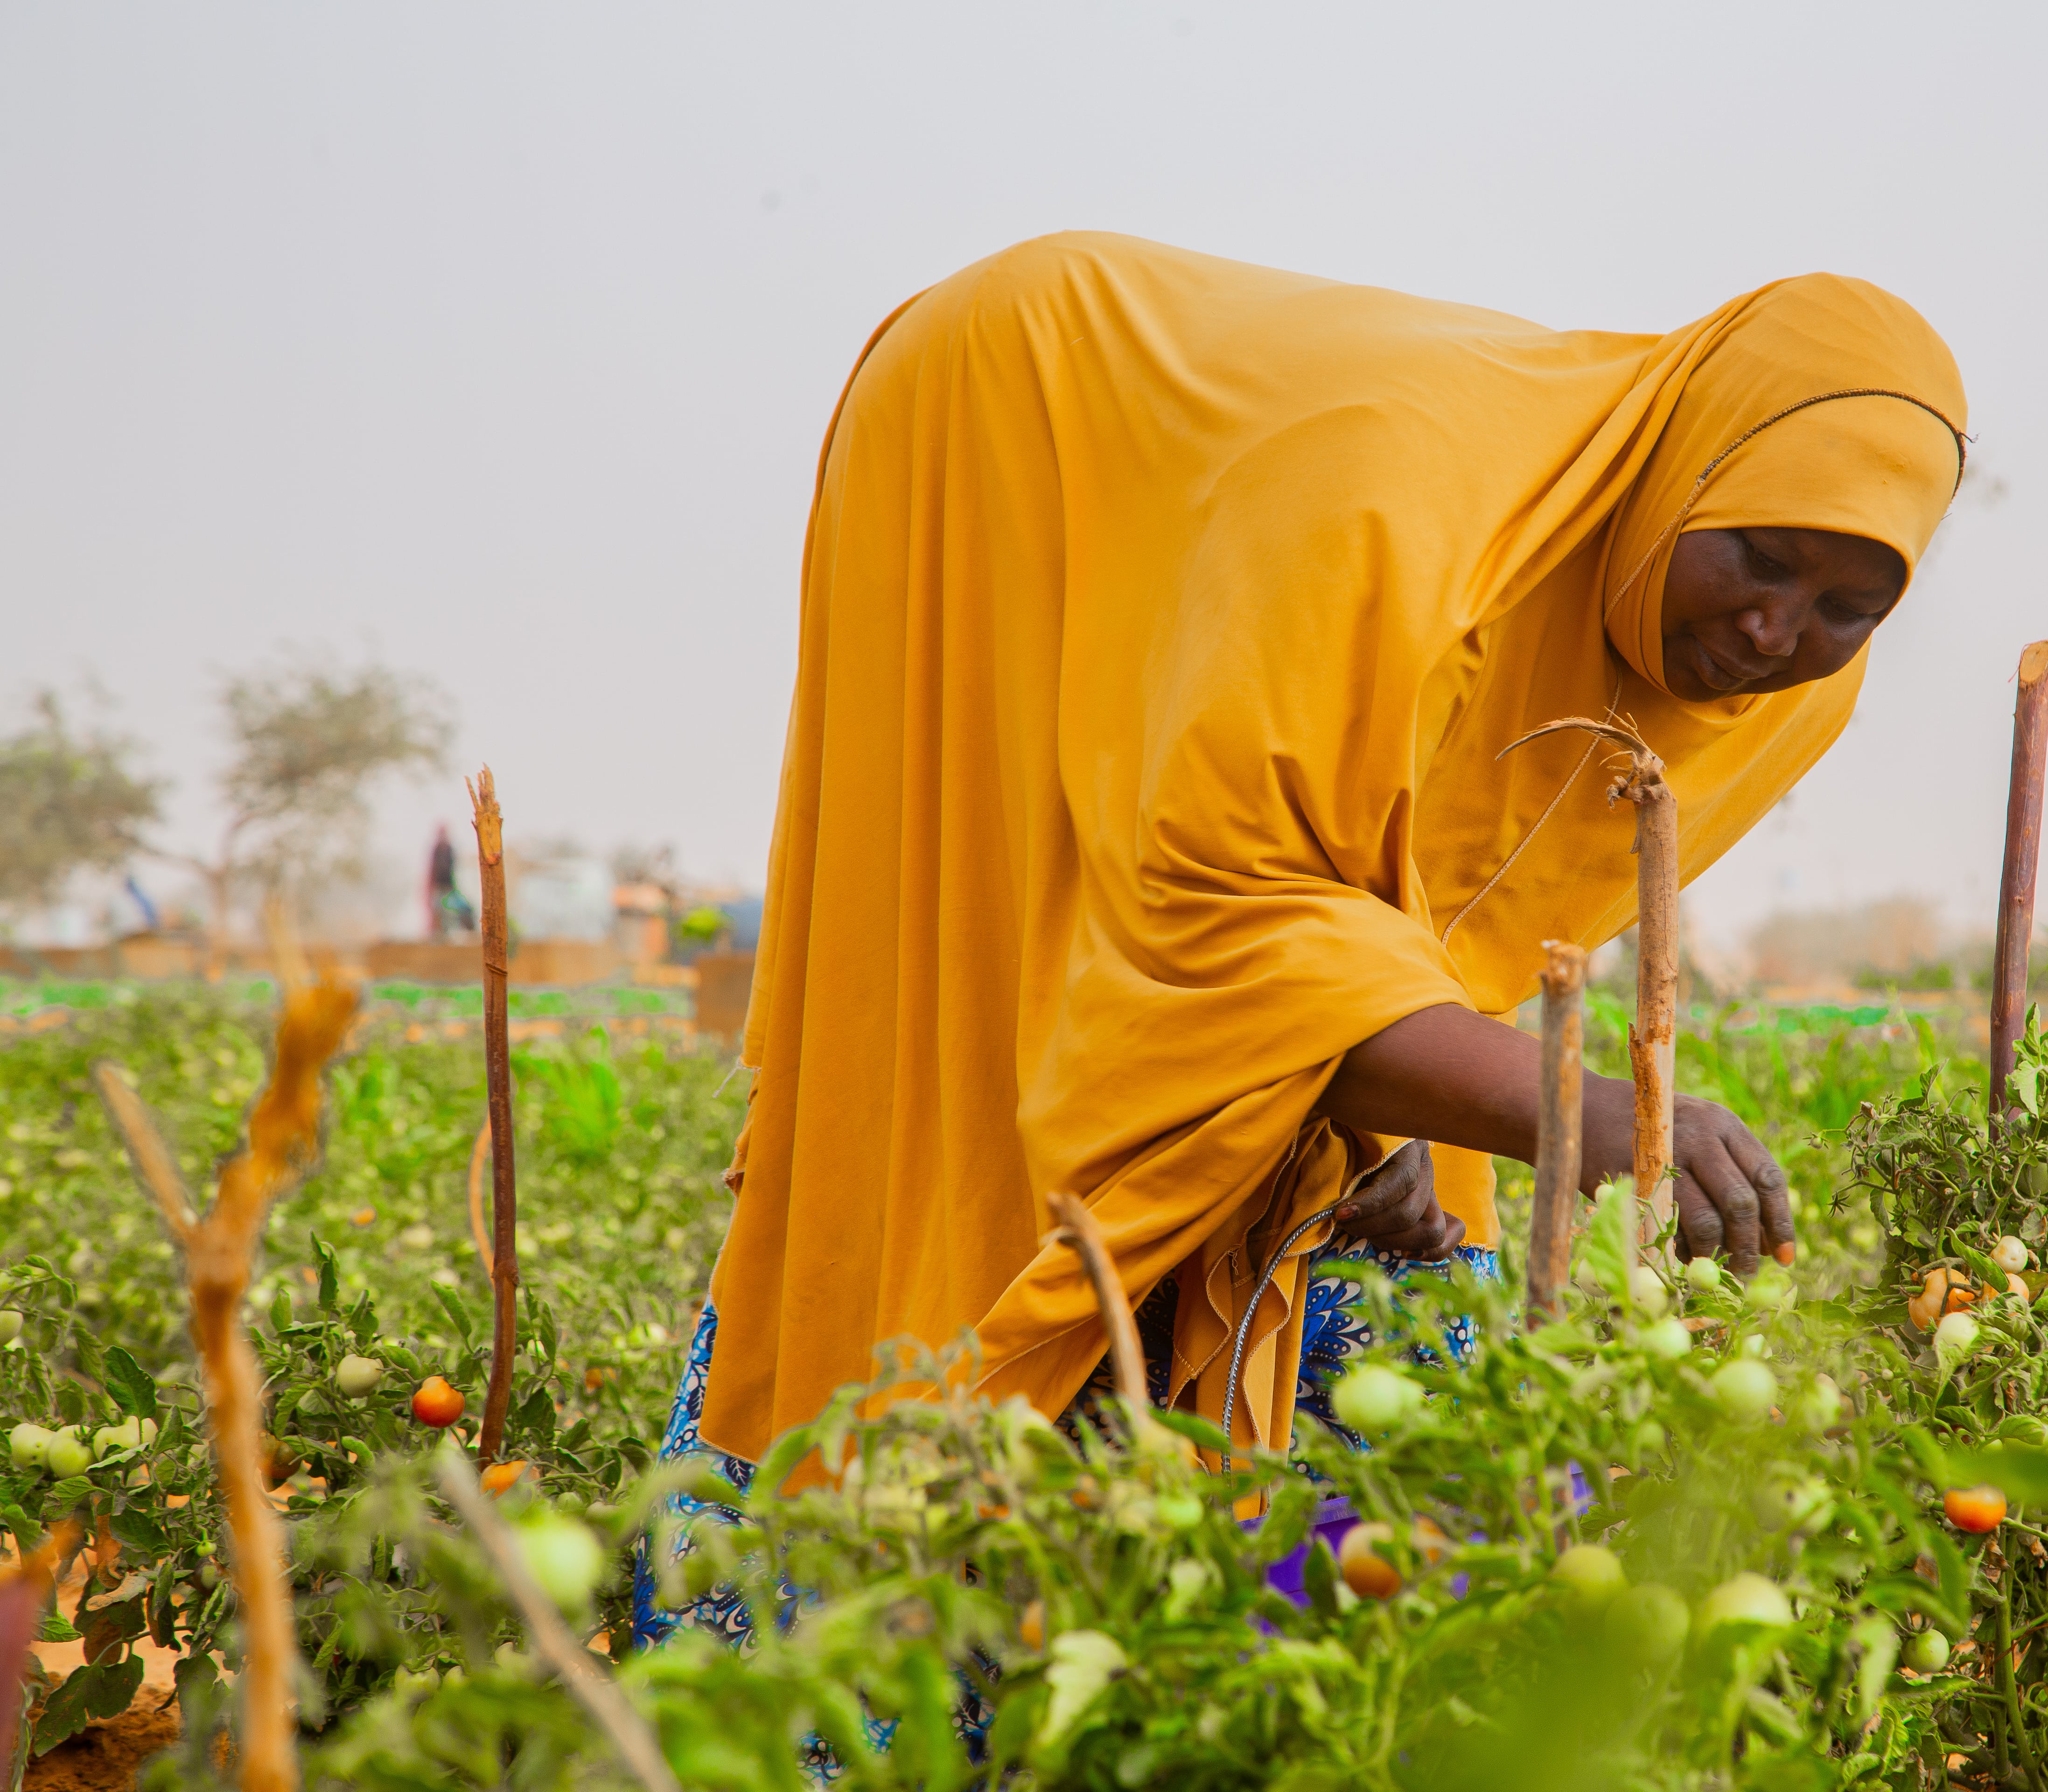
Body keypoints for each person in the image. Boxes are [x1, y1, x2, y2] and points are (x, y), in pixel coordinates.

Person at [652, 233, 1965, 1567]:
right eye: (1758, 557)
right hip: (1019, 428)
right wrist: (1574, 1110)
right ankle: (833, 1582)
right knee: (980, 1049)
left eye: (1847, 604)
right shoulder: (1390, 505)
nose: (1776, 630)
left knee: (1371, 1245)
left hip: (1253, 691)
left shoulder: (1785, 697)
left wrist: (1361, 1111)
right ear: (1687, 472)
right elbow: (1218, 894)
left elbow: (1412, 900)